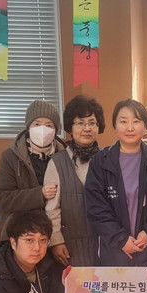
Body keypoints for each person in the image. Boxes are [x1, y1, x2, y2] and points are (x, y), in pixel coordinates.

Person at [85, 99, 147, 266]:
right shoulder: (100, 162)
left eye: (136, 121)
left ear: (145, 126)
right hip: (114, 250)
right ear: (115, 126)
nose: (130, 128)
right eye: (123, 122)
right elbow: (96, 207)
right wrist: (121, 239)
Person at [44, 95, 105, 267]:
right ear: (70, 127)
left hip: (104, 242)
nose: (87, 128)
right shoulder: (57, 162)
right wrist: (56, 240)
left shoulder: (108, 159)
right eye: (80, 123)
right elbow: (52, 207)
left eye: (92, 123)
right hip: (70, 245)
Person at [0, 100, 66, 241]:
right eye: (37, 124)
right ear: (28, 126)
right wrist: (40, 194)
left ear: (56, 129)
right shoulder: (11, 155)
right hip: (20, 233)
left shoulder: (65, 155)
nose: (42, 129)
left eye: (49, 125)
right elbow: (1, 197)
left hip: (56, 233)